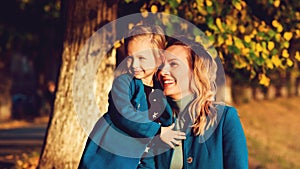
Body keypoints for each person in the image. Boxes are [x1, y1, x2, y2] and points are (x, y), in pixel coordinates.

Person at [78, 25, 186, 169]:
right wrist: (158, 131)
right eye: (130, 58)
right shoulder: (124, 83)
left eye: (141, 58)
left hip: (144, 155)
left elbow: (169, 114)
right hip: (114, 153)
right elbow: (124, 113)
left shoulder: (161, 88)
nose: (134, 64)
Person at [144, 37, 248, 169]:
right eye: (161, 65)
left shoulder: (224, 118)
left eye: (174, 64)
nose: (163, 72)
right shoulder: (153, 121)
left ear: (195, 71)